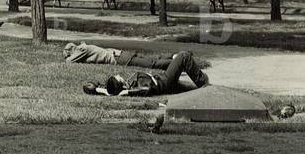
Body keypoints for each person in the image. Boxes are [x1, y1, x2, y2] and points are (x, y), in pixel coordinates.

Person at [63, 42, 208, 89]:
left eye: (68, 54)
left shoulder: (82, 49)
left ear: (72, 51)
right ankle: (175, 59)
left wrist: (68, 57)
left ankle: (181, 62)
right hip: (121, 54)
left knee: (152, 63)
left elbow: (70, 62)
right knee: (152, 61)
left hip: (120, 59)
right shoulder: (85, 48)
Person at [81, 52, 209, 97]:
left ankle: (205, 87)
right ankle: (204, 83)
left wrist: (96, 89)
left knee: (195, 90)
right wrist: (126, 92)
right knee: (184, 56)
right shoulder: (131, 89)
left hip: (164, 80)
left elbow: (105, 90)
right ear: (120, 83)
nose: (118, 75)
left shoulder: (115, 89)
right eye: (117, 77)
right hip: (164, 82)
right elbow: (146, 90)